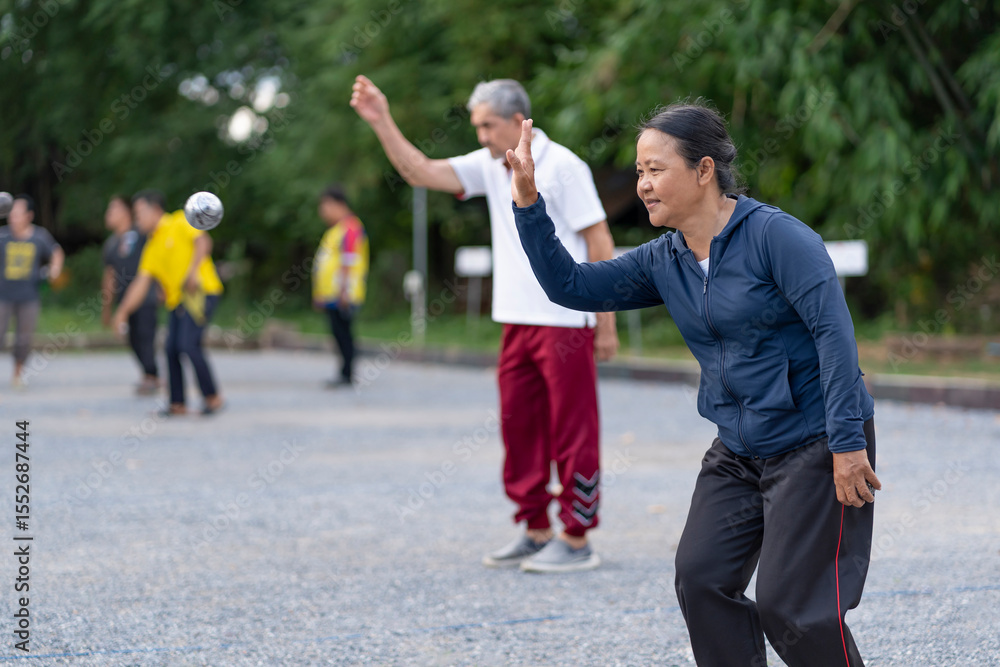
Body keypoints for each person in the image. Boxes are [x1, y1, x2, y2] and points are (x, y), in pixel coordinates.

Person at [509, 106, 879, 664]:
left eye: (655, 170)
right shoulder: (666, 259)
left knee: (792, 609)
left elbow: (835, 336)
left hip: (814, 440)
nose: (643, 185)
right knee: (702, 579)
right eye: (639, 172)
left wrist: (847, 445)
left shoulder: (776, 238)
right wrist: (528, 204)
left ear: (704, 170)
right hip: (738, 448)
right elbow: (571, 286)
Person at [352, 76, 619, 573]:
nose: (480, 135)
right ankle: (535, 529)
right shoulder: (489, 164)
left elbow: (599, 242)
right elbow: (419, 171)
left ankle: (577, 536)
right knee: (520, 429)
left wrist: (605, 322)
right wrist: (381, 119)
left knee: (572, 430)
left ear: (518, 121)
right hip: (515, 320)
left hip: (565, 319)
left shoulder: (564, 166)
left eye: (488, 125)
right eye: (476, 126)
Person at [111, 190, 224, 416]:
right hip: (178, 301)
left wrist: (193, 272)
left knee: (188, 344)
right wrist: (122, 312)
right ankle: (177, 404)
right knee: (171, 348)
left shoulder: (179, 221)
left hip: (201, 293)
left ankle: (213, 397)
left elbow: (203, 242)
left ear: (155, 210)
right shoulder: (152, 245)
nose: (137, 219)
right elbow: (141, 283)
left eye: (139, 213)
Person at [0, 194, 64, 388]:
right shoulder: (3, 236)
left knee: (24, 338)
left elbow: (56, 252)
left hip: (29, 296)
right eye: (11, 213)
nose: (13, 217)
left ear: (29, 215)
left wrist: (54, 269)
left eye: (18, 214)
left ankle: (18, 374)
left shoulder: (39, 236)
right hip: (3, 296)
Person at [312, 185, 370, 388]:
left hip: (343, 293)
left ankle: (347, 373)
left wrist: (343, 291)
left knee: (344, 333)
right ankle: (344, 371)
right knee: (338, 333)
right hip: (331, 293)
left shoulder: (351, 227)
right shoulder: (336, 230)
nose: (323, 211)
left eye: (326, 206)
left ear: (339, 205)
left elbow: (348, 261)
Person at [102, 195, 160, 394]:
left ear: (126, 212)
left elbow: (157, 258)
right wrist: (107, 307)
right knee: (133, 339)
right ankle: (148, 374)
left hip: (146, 296)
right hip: (124, 299)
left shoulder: (142, 233)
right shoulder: (111, 244)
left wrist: (162, 285)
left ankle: (152, 376)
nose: (108, 214)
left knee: (145, 336)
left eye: (113, 209)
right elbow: (109, 277)